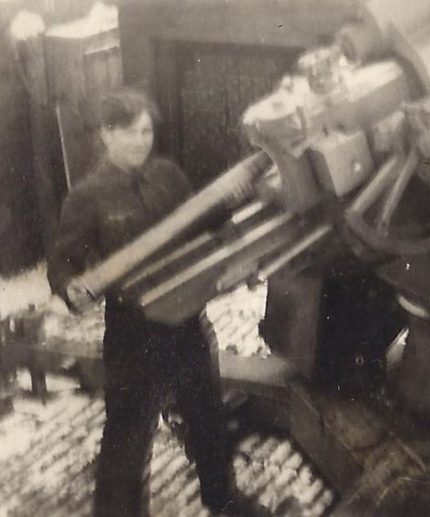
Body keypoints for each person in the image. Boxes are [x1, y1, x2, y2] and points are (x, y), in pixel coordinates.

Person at [47, 89, 262, 516]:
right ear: (106, 135)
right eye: (128, 133)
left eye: (145, 131)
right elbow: (63, 262)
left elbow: (207, 219)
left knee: (207, 420)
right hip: (135, 333)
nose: (140, 141)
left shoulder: (168, 176)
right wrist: (70, 289)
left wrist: (235, 224)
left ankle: (223, 501)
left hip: (188, 321)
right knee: (127, 438)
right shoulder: (87, 197)